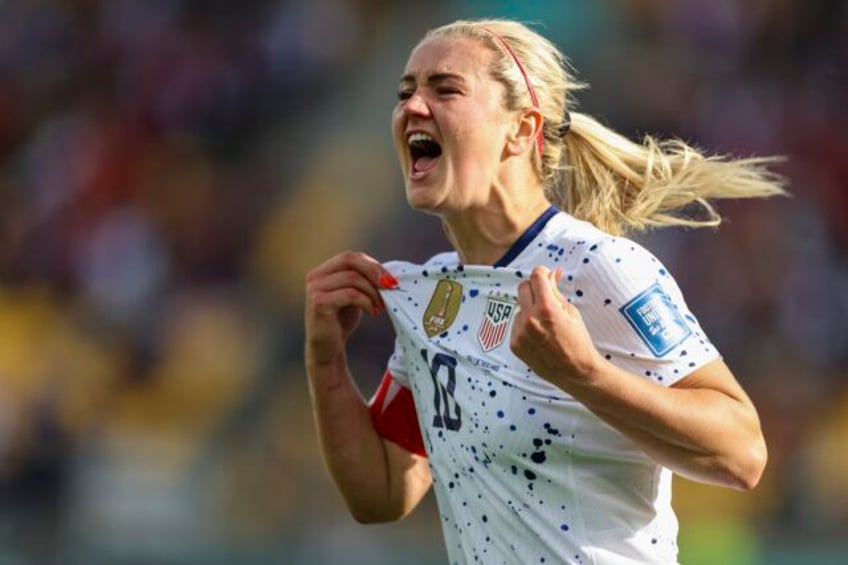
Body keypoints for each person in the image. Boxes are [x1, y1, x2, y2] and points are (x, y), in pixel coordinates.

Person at [305, 18, 784, 565]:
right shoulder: (434, 298)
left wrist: (584, 374)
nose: (413, 106)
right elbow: (383, 492)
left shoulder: (599, 268)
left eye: (446, 89)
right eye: (405, 91)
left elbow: (743, 453)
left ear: (521, 129)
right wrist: (326, 362)